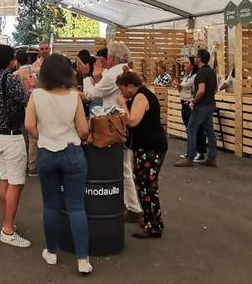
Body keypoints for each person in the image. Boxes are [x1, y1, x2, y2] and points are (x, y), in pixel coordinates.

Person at [27, 53, 92, 275]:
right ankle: (83, 259)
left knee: (50, 205)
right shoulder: (74, 97)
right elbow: (83, 130)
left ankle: (52, 252)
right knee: (76, 206)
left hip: (46, 153)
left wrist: (42, 136)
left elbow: (29, 125)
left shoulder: (36, 95)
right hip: (72, 153)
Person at [85, 41, 145, 218]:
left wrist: (88, 77)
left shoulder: (112, 74)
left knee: (122, 167)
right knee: (126, 165)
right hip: (125, 122)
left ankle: (133, 207)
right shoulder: (127, 70)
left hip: (113, 125)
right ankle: (131, 204)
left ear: (110, 58)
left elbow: (92, 94)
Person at [0, 44, 32, 248]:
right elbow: (25, 101)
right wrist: (29, 87)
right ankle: (8, 230)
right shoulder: (10, 79)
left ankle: (7, 221)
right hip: (11, 136)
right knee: (16, 183)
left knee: (5, 179)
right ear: (8, 60)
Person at [116, 71, 168, 239]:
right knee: (145, 185)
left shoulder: (141, 97)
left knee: (147, 186)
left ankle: (153, 227)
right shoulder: (141, 95)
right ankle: (152, 220)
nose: (121, 93)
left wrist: (122, 105)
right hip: (147, 146)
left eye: (122, 89)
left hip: (150, 148)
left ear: (130, 86)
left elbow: (132, 121)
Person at [176, 49, 219, 168]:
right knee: (210, 132)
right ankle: (212, 157)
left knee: (191, 129)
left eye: (196, 56)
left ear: (199, 59)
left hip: (201, 106)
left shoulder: (201, 73)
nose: (195, 58)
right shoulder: (212, 72)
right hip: (211, 104)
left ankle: (189, 157)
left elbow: (201, 90)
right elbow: (215, 89)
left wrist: (194, 101)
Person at [178, 56, 208, 163]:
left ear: (192, 65)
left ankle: (200, 151)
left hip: (190, 104)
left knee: (196, 129)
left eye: (187, 63)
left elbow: (197, 91)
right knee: (189, 129)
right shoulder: (186, 76)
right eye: (184, 63)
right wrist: (178, 86)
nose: (184, 65)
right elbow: (182, 88)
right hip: (184, 103)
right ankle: (191, 151)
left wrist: (193, 101)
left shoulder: (196, 77)